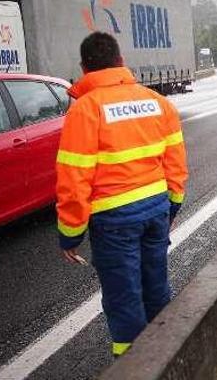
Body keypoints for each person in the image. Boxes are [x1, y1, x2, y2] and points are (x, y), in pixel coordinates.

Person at [56, 32, 188, 357]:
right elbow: (176, 165)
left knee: (123, 294)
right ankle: (166, 355)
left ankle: (132, 364)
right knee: (155, 282)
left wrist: (70, 235)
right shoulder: (159, 103)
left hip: (114, 219)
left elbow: (74, 179)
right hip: (156, 210)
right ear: (121, 61)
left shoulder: (86, 110)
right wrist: (171, 210)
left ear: (85, 68)